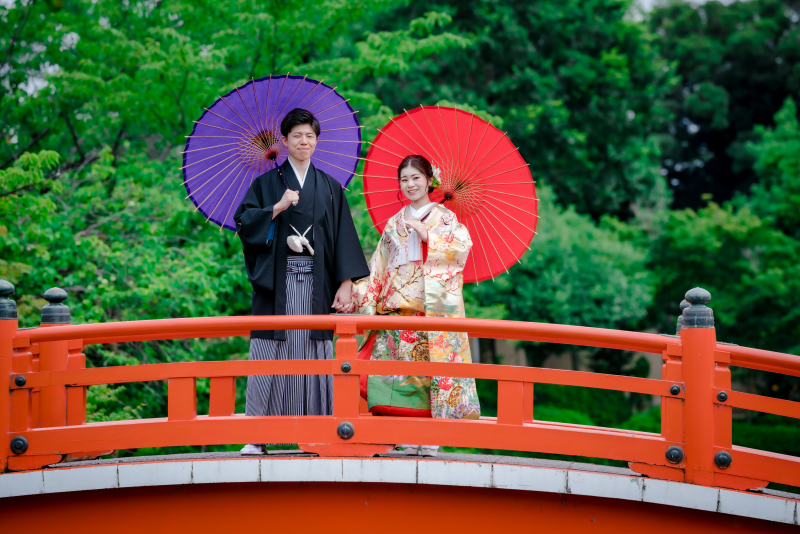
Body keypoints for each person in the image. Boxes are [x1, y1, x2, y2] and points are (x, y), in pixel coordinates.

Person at [233, 108, 369, 455]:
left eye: (309, 135)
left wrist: (346, 283)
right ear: (285, 140)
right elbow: (246, 225)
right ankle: (258, 435)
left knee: (314, 353)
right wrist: (277, 209)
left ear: (317, 140)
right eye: (297, 136)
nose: (303, 141)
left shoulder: (329, 187)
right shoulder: (266, 185)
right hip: (278, 286)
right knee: (270, 354)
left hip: (317, 286)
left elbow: (343, 239)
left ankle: (317, 431)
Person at [352, 155, 481, 457]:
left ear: (429, 180)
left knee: (428, 378)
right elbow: (379, 265)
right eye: (404, 179)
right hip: (396, 313)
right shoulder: (394, 222)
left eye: (416, 178)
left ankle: (430, 438)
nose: (410, 184)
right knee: (395, 378)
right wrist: (360, 295)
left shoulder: (445, 218)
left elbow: (461, 251)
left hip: (429, 312)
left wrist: (430, 237)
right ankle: (402, 435)